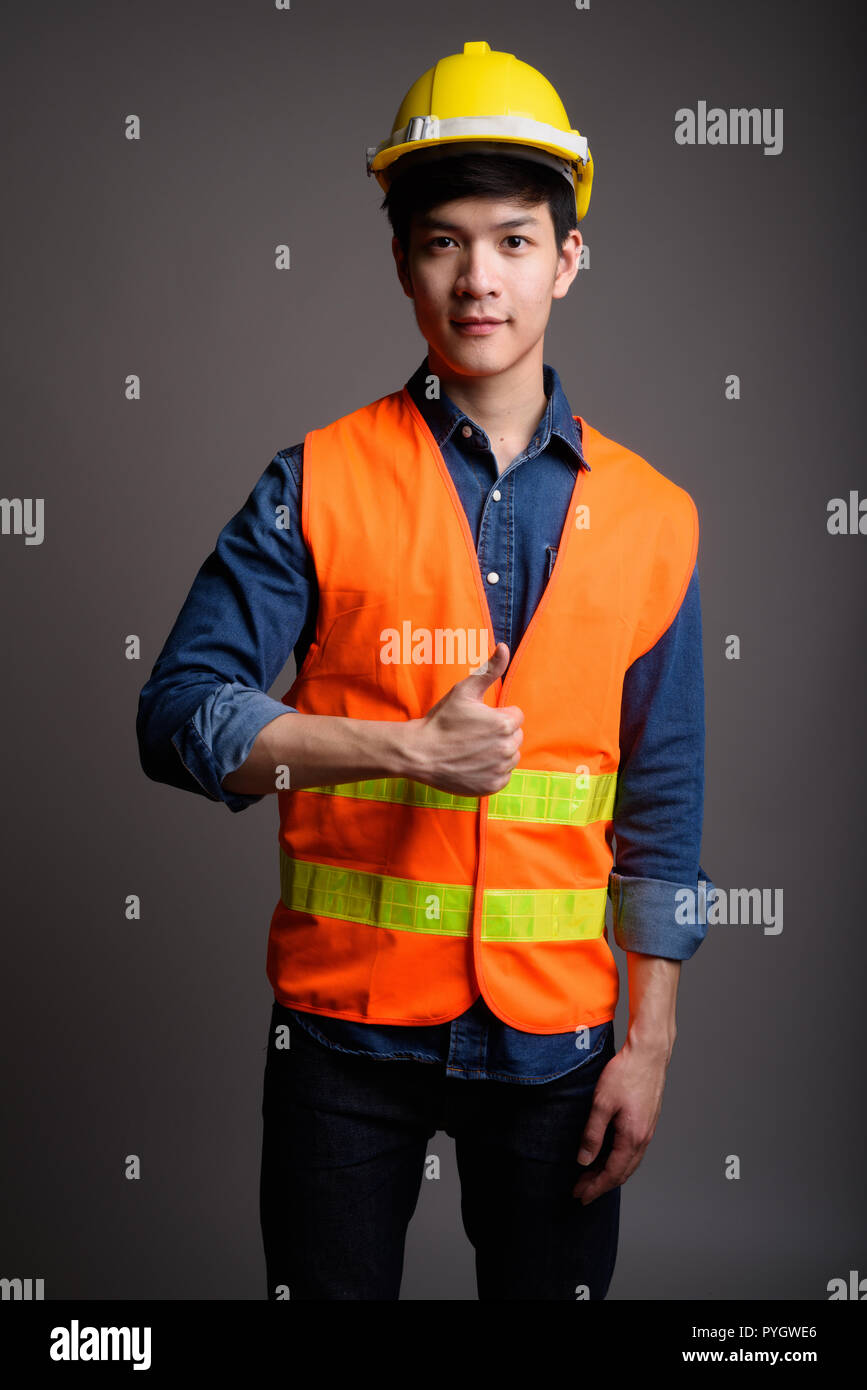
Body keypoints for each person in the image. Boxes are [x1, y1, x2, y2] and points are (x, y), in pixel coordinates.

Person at [136, 39, 713, 1301]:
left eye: (513, 241)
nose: (478, 278)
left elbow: (661, 814)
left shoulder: (659, 517)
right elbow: (175, 715)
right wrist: (402, 747)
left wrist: (649, 1042)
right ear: (403, 262)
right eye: (443, 241)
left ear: (568, 259)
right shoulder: (317, 481)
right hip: (345, 1043)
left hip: (559, 1046)